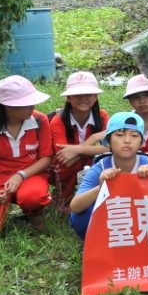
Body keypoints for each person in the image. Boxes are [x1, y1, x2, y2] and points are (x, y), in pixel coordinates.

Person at [0, 75, 53, 244]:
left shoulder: (39, 120)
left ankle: (34, 213)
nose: (33, 107)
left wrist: (21, 175)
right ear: (8, 107)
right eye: (27, 104)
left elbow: (46, 158)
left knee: (33, 196)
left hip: (30, 176)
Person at [69, 112, 148, 239]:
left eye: (134, 135)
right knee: (80, 217)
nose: (127, 140)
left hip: (143, 222)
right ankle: (97, 244)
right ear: (109, 142)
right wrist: (101, 187)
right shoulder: (99, 168)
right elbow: (75, 206)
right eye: (119, 135)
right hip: (113, 222)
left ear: (141, 143)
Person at [48, 71, 109, 209]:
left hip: (86, 162)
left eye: (88, 94)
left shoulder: (102, 116)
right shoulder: (59, 120)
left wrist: (77, 149)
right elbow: (63, 156)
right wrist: (93, 140)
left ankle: (93, 195)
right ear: (69, 98)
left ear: (95, 97)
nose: (83, 98)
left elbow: (112, 147)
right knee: (69, 164)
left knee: (105, 161)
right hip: (62, 169)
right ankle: (64, 197)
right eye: (77, 95)